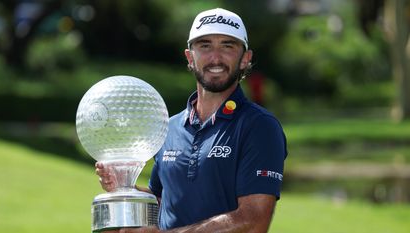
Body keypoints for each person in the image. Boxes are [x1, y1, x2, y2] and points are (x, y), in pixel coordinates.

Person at [96, 8, 287, 233]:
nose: (215, 57)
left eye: (227, 46)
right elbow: (161, 200)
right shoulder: (169, 127)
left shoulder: (259, 126)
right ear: (189, 57)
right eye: (205, 46)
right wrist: (125, 187)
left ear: (245, 59)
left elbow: (253, 221)